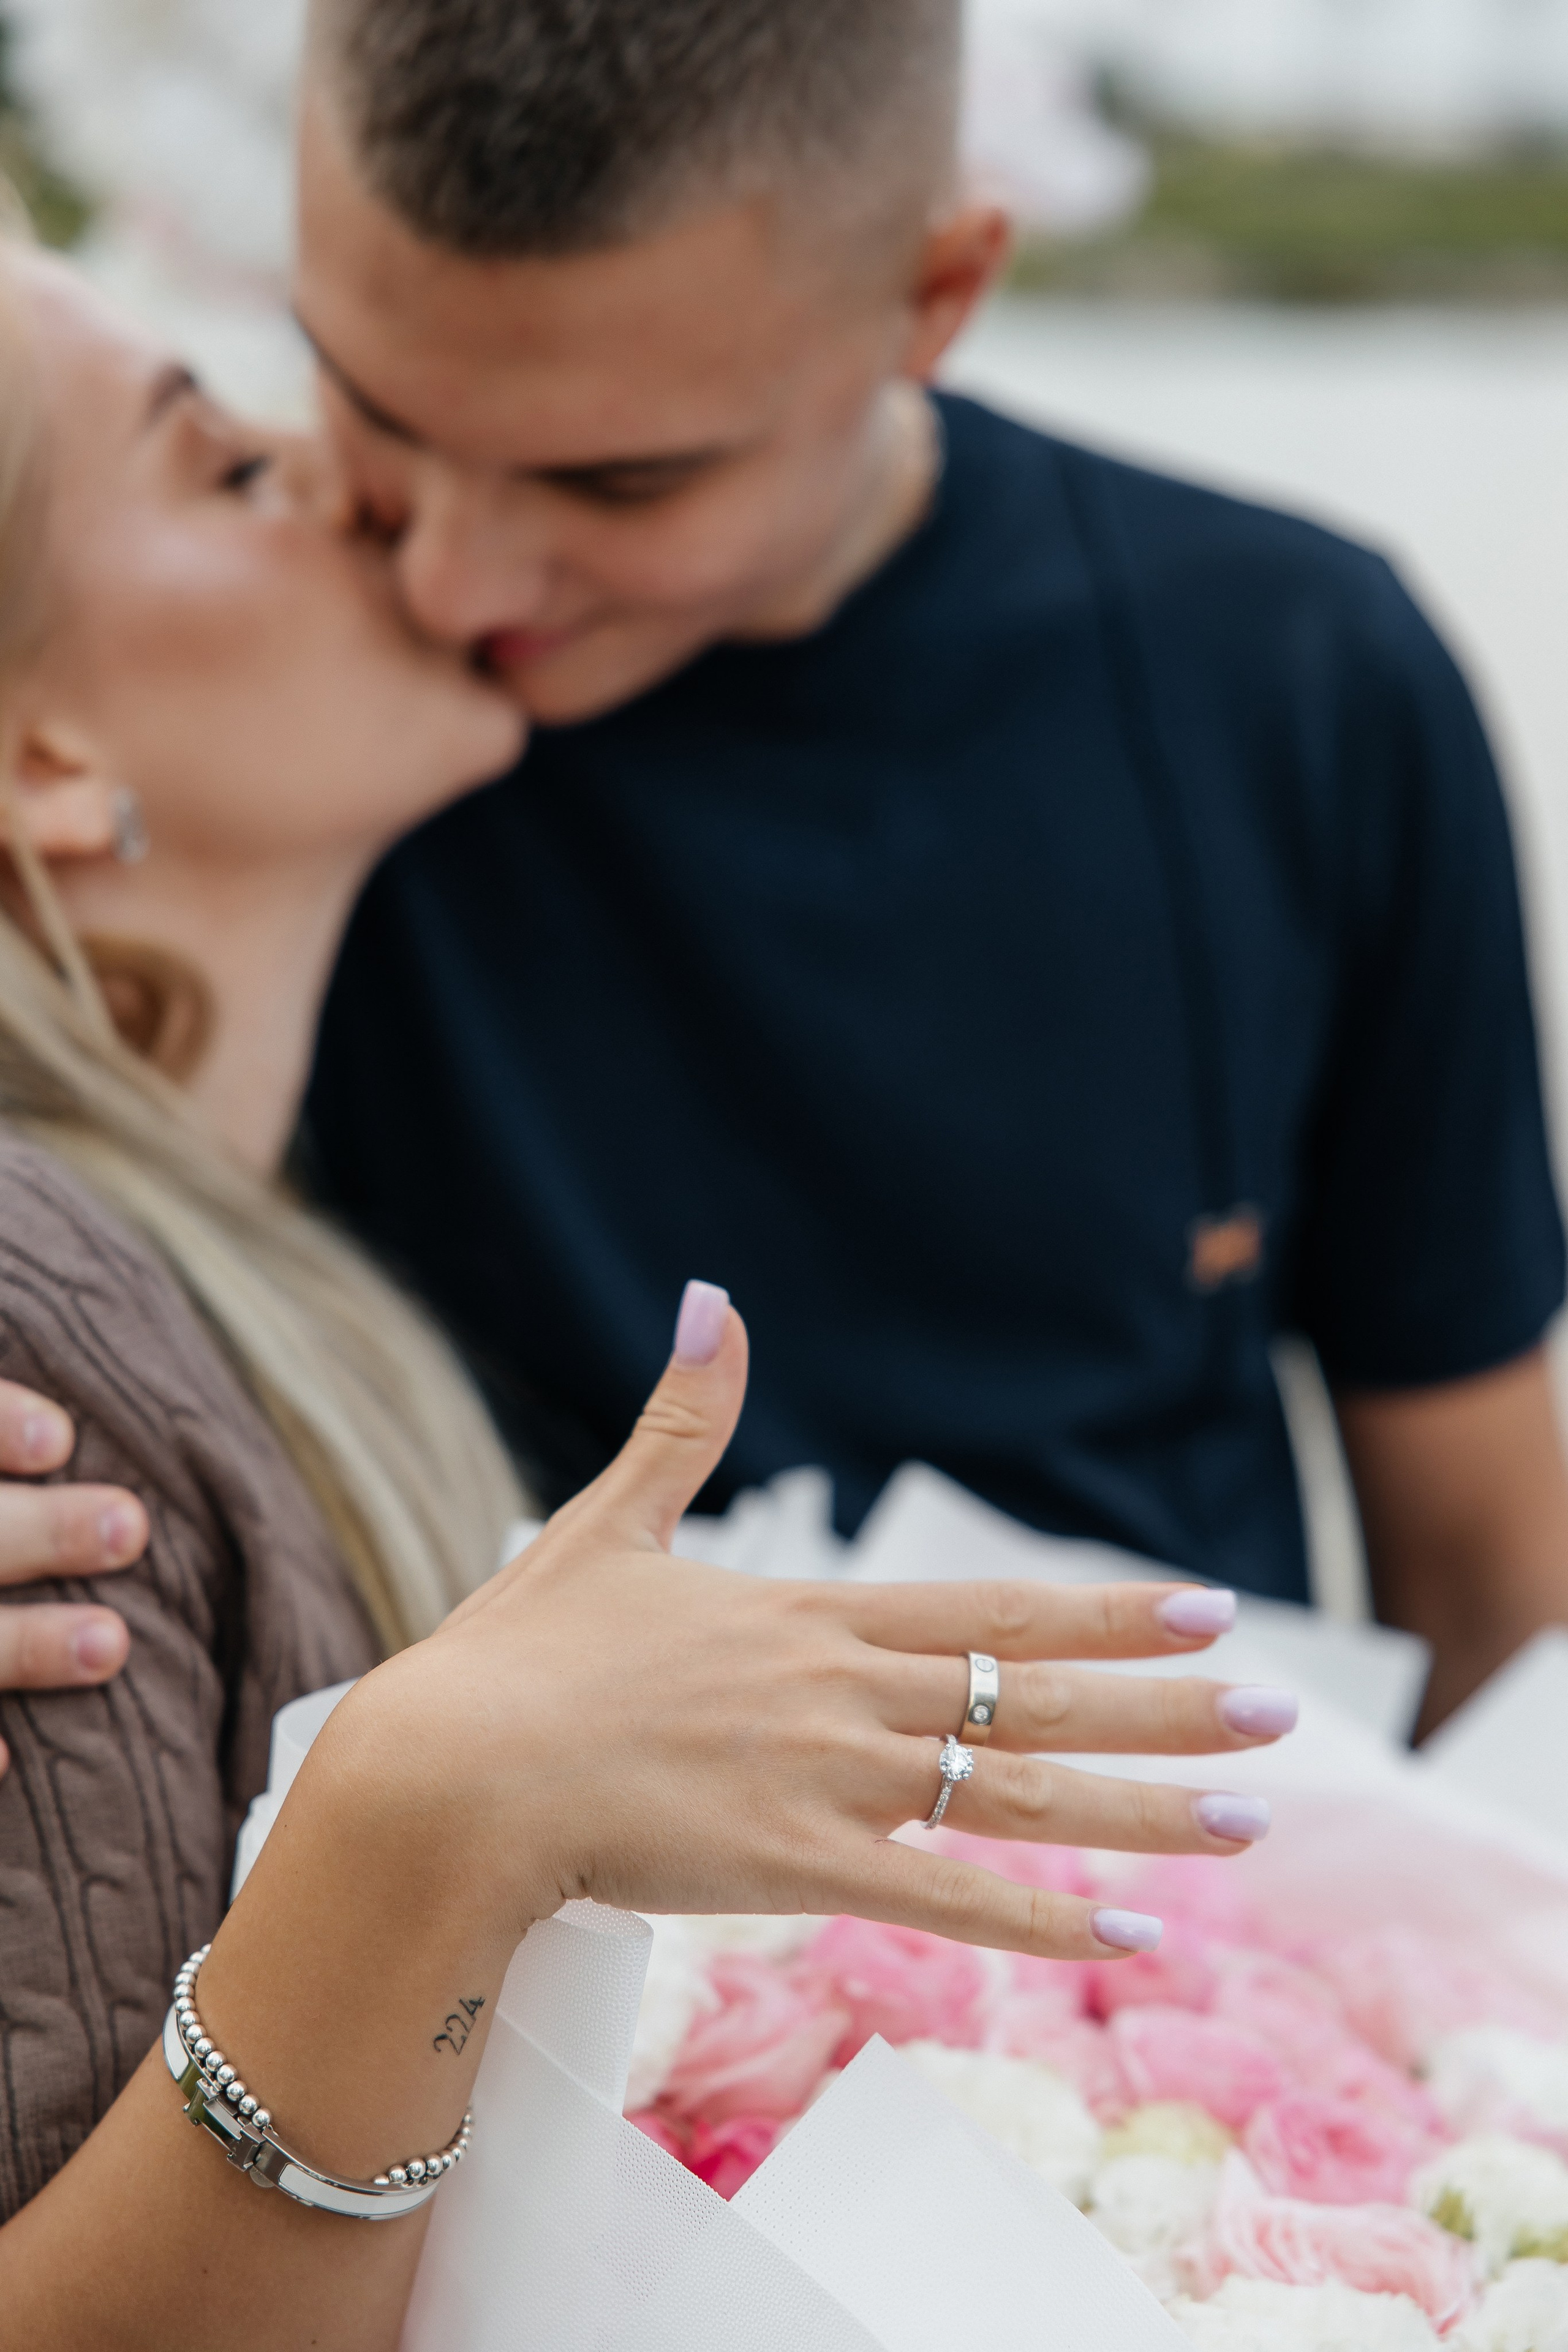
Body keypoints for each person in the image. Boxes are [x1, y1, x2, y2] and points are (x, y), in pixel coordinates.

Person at [0, 240, 1296, 2341]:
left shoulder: (259, 1189)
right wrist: (433, 1804)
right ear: (49, 756)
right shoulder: (33, 1327)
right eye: (227, 462)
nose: (377, 497)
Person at [2, 2, 1564, 1735]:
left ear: (939, 295)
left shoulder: (1303, 678)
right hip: (497, 1932)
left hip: (1191, 1917)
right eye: (372, 407)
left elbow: (1492, 1573)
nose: (451, 579)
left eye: (619, 479)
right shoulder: (298, 709)